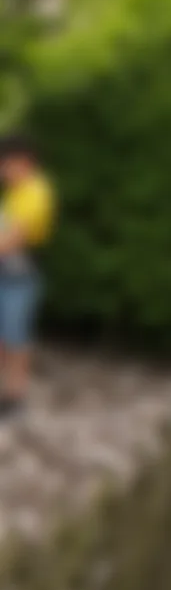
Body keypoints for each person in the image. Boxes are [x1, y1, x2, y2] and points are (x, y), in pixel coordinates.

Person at [0, 134, 53, 416]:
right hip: (5, 273)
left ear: (23, 162)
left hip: (20, 276)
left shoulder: (35, 192)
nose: (2, 171)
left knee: (16, 336)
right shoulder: (16, 191)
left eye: (6, 164)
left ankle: (14, 397)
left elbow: (12, 240)